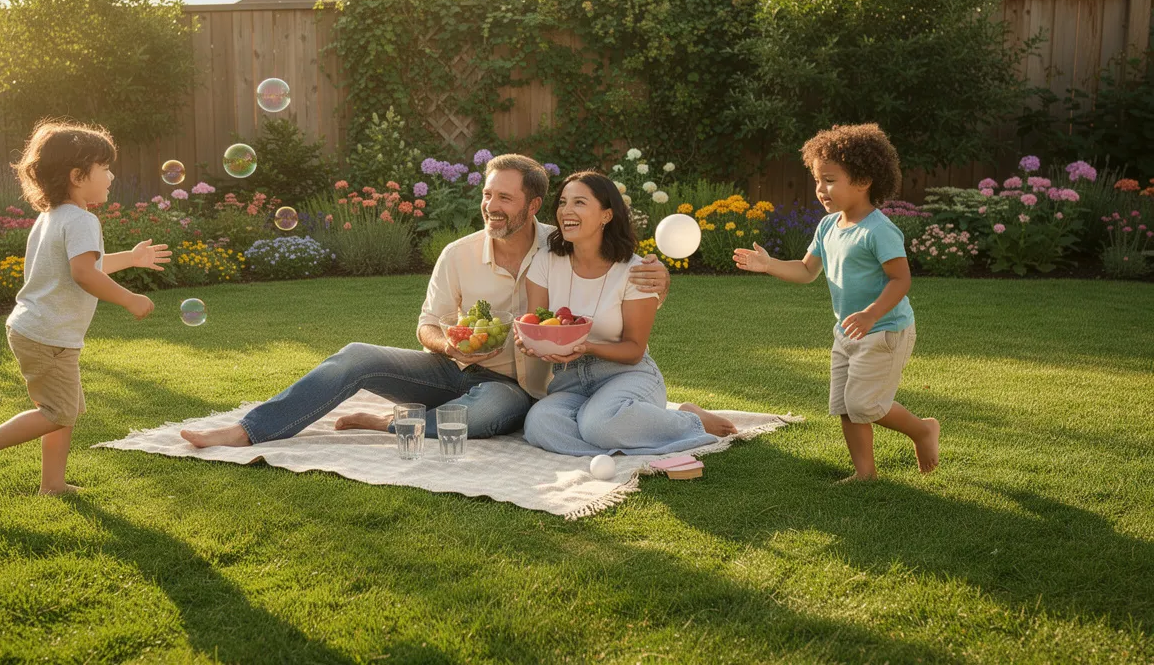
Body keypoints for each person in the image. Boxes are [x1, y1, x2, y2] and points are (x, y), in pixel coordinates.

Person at [180, 154, 672, 449]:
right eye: (487, 195)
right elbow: (427, 325)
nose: (491, 206)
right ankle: (250, 430)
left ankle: (392, 423)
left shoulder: (559, 245)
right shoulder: (457, 255)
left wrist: (660, 273)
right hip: (454, 368)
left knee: (478, 416)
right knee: (355, 356)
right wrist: (451, 347)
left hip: (516, 384)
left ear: (533, 205)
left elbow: (609, 267)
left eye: (505, 198)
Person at [0, 122, 171, 494]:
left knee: (63, 410)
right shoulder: (82, 219)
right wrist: (130, 299)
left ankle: (52, 484)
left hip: (38, 330)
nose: (111, 175)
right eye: (104, 167)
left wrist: (132, 258)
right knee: (58, 412)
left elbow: (84, 267)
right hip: (48, 335)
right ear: (77, 175)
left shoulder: (53, 216)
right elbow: (84, 274)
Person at [733, 123, 939, 481]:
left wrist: (872, 314)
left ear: (863, 180)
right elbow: (806, 270)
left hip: (884, 329)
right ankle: (865, 474)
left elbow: (900, 279)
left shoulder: (879, 230)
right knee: (846, 405)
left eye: (829, 179)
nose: (820, 189)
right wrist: (768, 265)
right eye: (817, 180)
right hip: (847, 331)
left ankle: (922, 430)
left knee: (864, 405)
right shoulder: (828, 226)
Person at [519, 171, 738, 456]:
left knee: (599, 425)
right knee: (539, 424)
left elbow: (634, 350)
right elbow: (537, 323)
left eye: (579, 203)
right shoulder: (545, 262)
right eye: (562, 202)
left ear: (606, 216)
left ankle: (690, 420)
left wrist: (585, 347)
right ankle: (614, 436)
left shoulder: (637, 272)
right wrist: (531, 341)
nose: (566, 211)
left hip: (626, 375)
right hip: (569, 379)